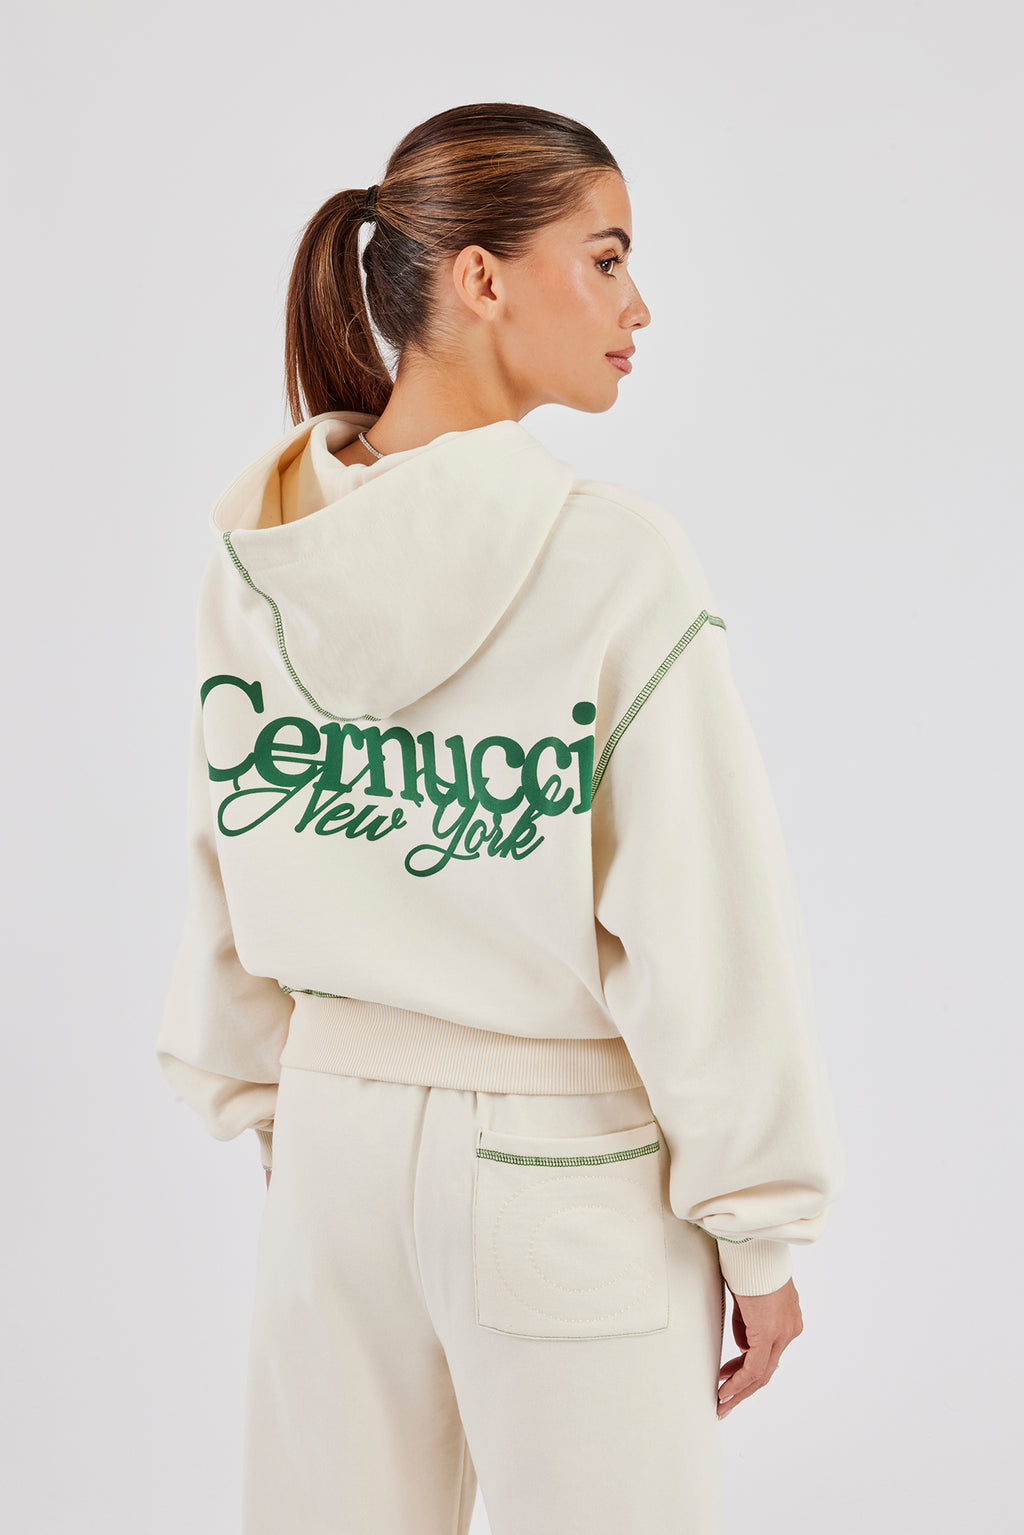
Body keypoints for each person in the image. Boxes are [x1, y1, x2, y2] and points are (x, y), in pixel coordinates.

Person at [156, 100, 845, 1535]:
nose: (637, 305)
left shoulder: (262, 555)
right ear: (480, 278)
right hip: (564, 1167)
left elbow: (224, 858)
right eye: (606, 258)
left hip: (331, 1155)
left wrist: (288, 1113)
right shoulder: (615, 562)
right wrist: (759, 1227)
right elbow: (701, 917)